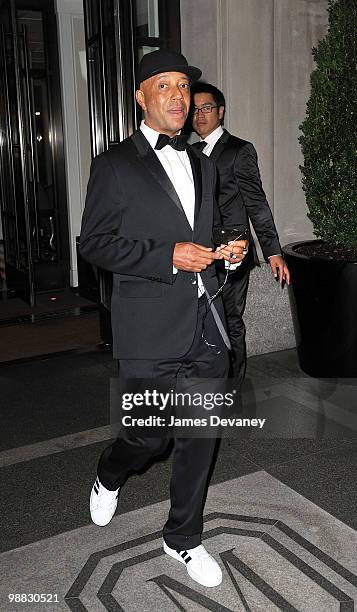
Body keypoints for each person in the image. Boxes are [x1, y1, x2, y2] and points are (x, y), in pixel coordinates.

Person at [79, 50, 247, 588]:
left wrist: (227, 250)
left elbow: (205, 229)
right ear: (141, 98)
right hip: (149, 326)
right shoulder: (114, 164)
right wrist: (165, 255)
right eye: (166, 86)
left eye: (184, 86)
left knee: (199, 436)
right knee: (146, 438)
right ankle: (110, 474)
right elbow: (95, 244)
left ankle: (184, 540)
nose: (179, 96)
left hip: (204, 324)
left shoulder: (204, 162)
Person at [191, 82, 290, 384]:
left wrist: (273, 251)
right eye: (194, 110)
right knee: (202, 319)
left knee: (230, 320)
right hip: (199, 253)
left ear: (220, 111)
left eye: (206, 108)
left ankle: (233, 384)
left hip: (232, 251)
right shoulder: (190, 152)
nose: (200, 115)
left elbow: (256, 203)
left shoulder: (239, 150)